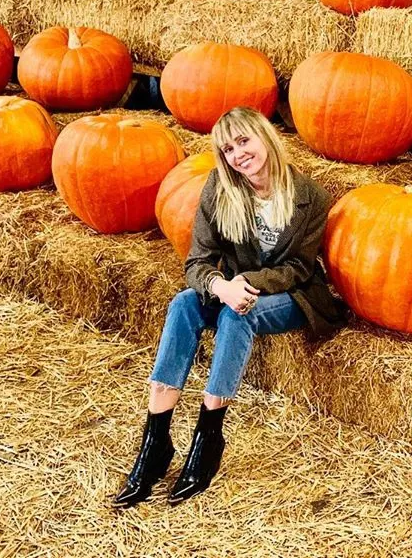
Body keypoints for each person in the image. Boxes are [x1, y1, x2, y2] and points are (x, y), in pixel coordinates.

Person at [113, 107, 347, 507]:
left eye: (243, 141)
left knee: (241, 312)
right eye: (228, 149)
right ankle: (156, 439)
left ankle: (209, 435)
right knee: (184, 303)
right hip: (233, 288)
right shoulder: (219, 189)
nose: (238, 154)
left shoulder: (312, 197)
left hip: (293, 296)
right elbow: (196, 263)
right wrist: (220, 286)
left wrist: (246, 285)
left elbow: (298, 267)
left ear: (264, 137)